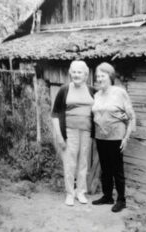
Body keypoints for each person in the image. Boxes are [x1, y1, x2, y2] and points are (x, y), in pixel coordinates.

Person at [92, 62, 136, 213]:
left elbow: (131, 117)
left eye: (102, 75)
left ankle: (121, 200)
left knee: (117, 169)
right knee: (105, 169)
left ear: (110, 76)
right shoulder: (97, 94)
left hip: (116, 137)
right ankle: (107, 196)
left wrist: (126, 138)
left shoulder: (119, 92)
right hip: (100, 137)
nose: (99, 78)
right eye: (97, 76)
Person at [51, 60, 95, 206]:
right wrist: (58, 135)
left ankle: (80, 192)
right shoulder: (64, 89)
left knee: (83, 163)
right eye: (74, 72)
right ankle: (70, 193)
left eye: (79, 72)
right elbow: (55, 114)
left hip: (86, 132)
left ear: (86, 75)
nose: (76, 75)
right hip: (69, 132)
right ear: (70, 73)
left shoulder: (91, 90)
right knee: (70, 164)